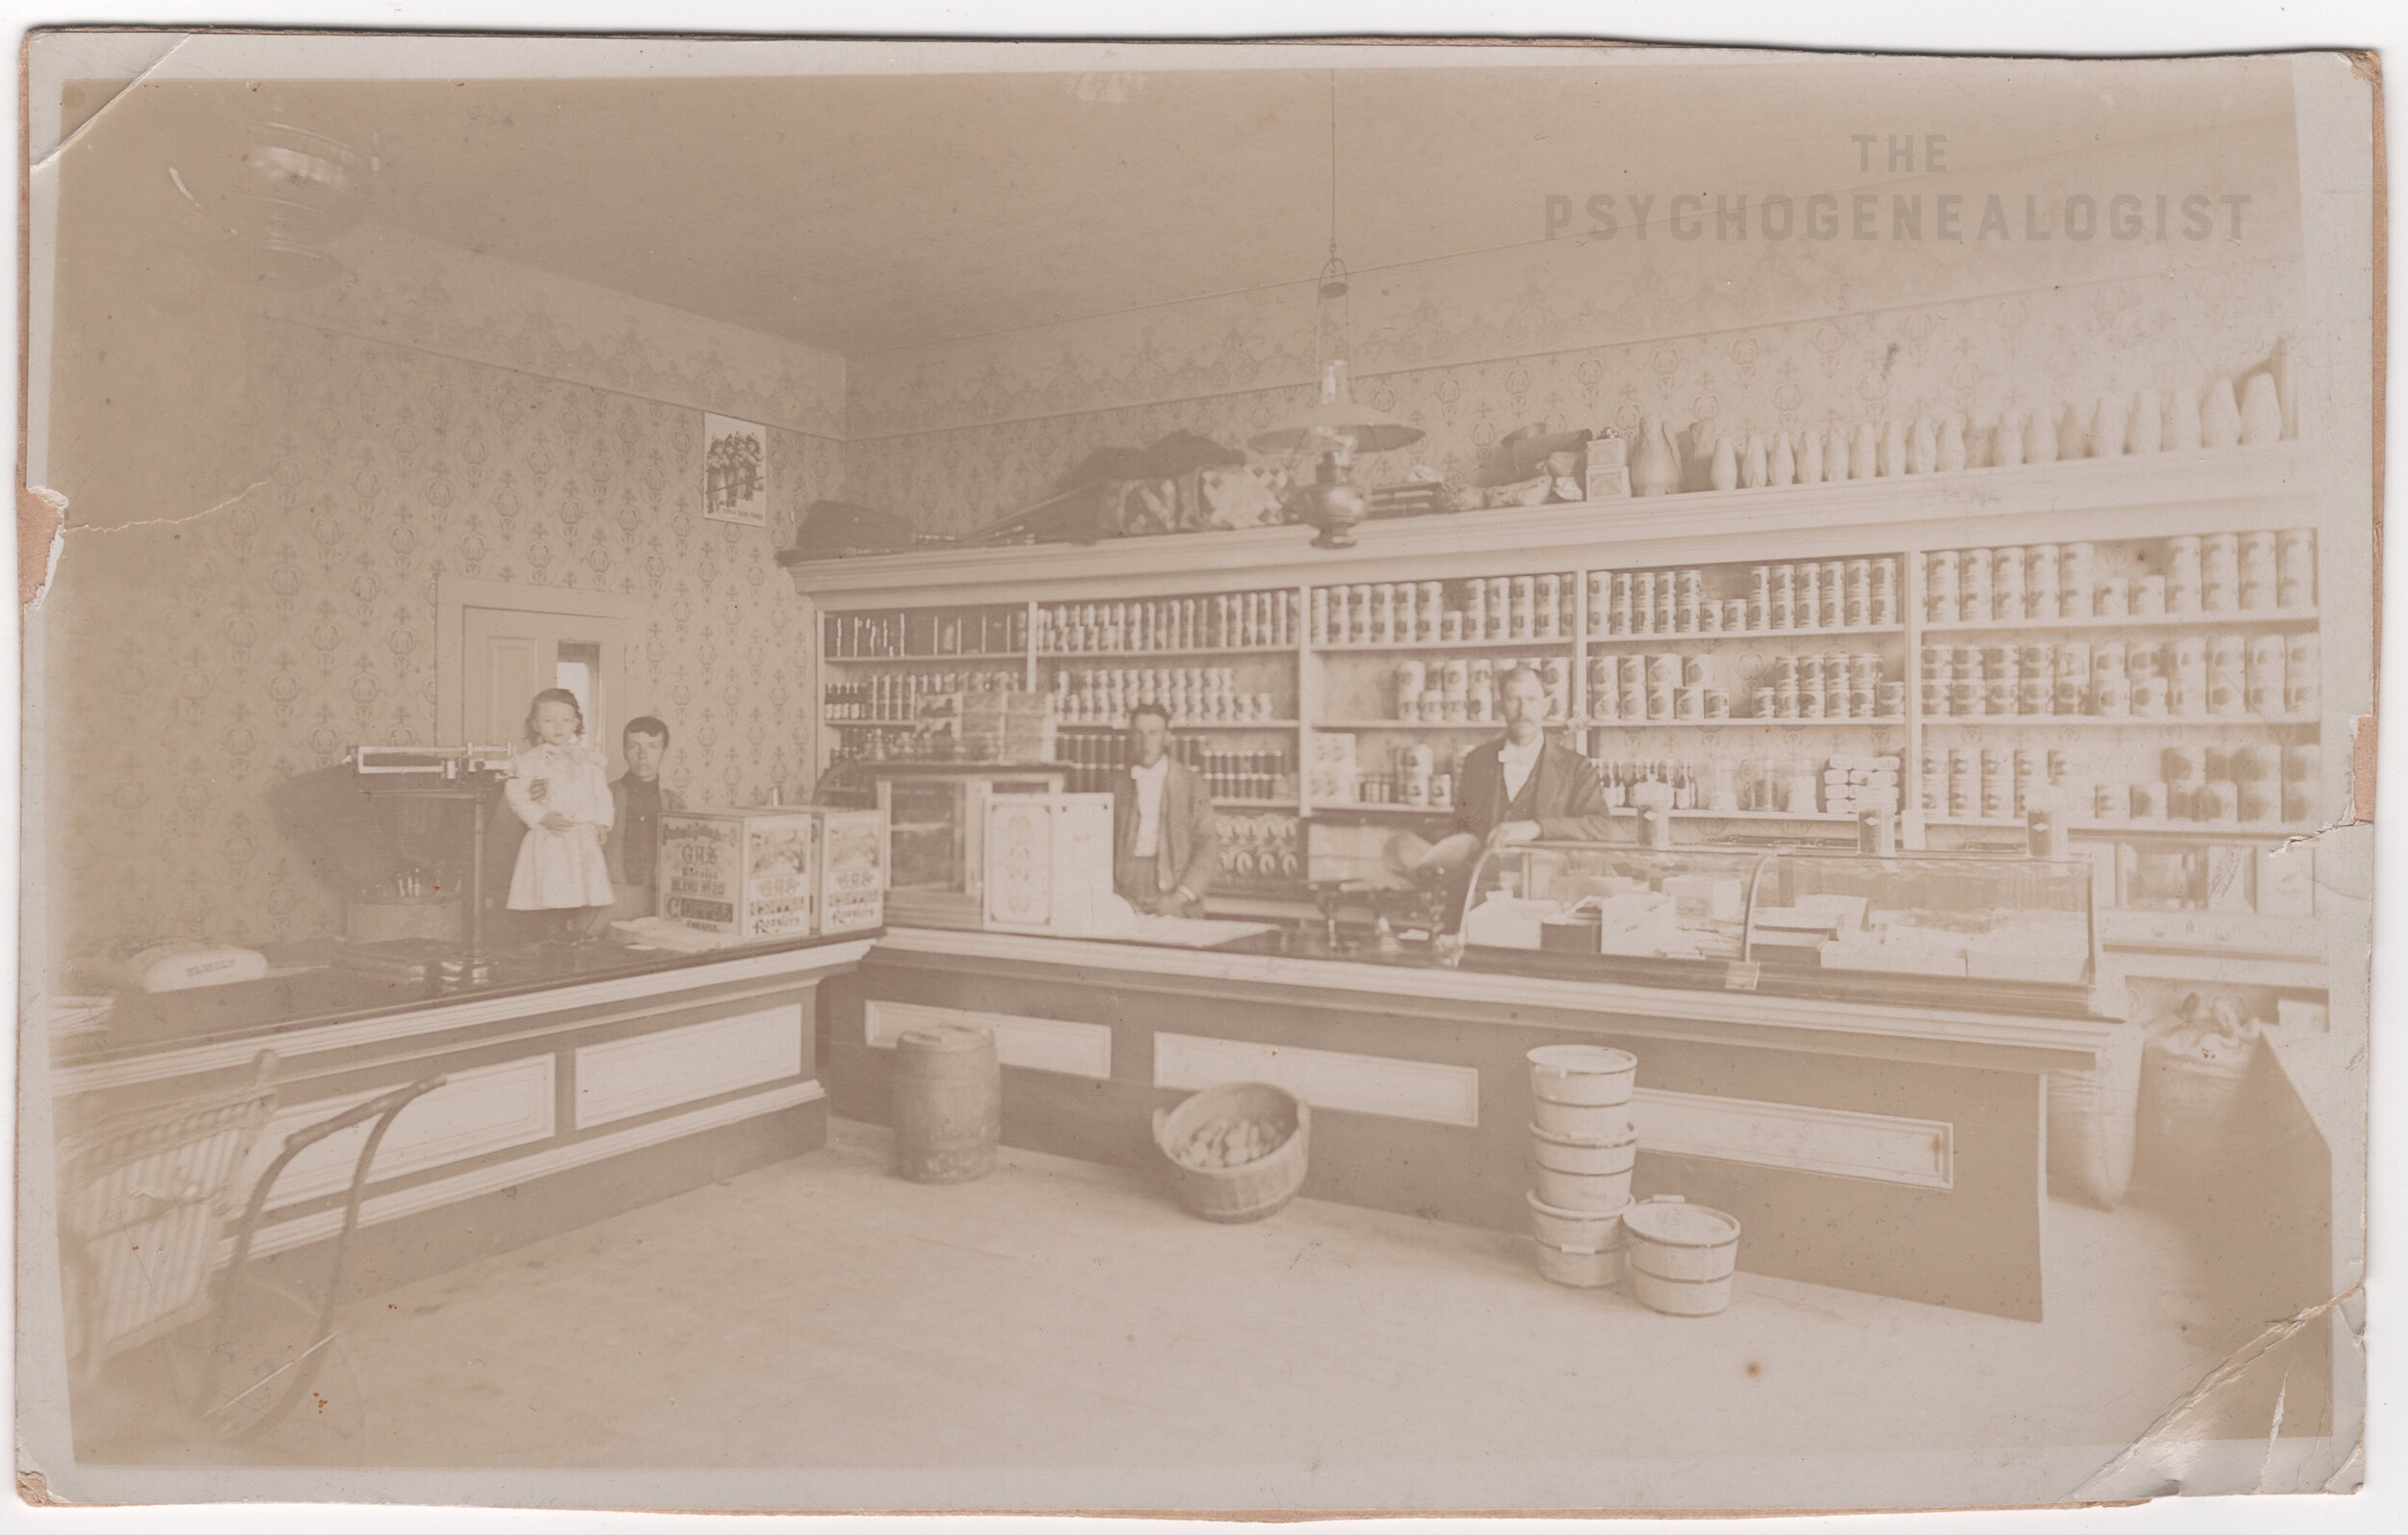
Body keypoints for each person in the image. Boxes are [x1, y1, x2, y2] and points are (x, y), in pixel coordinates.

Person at [1452, 665, 1615, 846]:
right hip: (1487, 873)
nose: (1523, 711)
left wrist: (1538, 827)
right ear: (1500, 707)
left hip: (1550, 873)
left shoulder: (1576, 766)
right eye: (1514, 700)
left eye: (1532, 700)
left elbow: (1603, 828)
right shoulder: (1476, 761)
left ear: (1545, 706)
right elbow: (1460, 830)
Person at [504, 689, 615, 942]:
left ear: (576, 723)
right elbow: (517, 795)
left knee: (580, 884)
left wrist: (602, 823)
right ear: (535, 724)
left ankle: (570, 927)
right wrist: (542, 816)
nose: (558, 727)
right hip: (550, 834)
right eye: (548, 721)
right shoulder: (530, 760)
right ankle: (551, 930)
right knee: (552, 884)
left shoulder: (588, 759)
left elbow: (601, 794)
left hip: (580, 834)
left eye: (566, 720)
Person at [1110, 703, 1217, 917]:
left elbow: (1207, 847)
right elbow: (1099, 846)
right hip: (1126, 888)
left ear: (1166, 738)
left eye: (1153, 733)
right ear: (1130, 737)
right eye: (1138, 733)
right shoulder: (1116, 784)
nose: (1145, 741)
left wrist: (1178, 899)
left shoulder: (1191, 785)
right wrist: (1116, 896)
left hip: (1174, 888)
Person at [599, 715, 686, 930]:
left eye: (652, 747)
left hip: (658, 901)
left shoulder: (674, 803)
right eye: (633, 746)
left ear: (664, 751)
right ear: (624, 752)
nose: (642, 756)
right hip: (613, 899)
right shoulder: (603, 796)